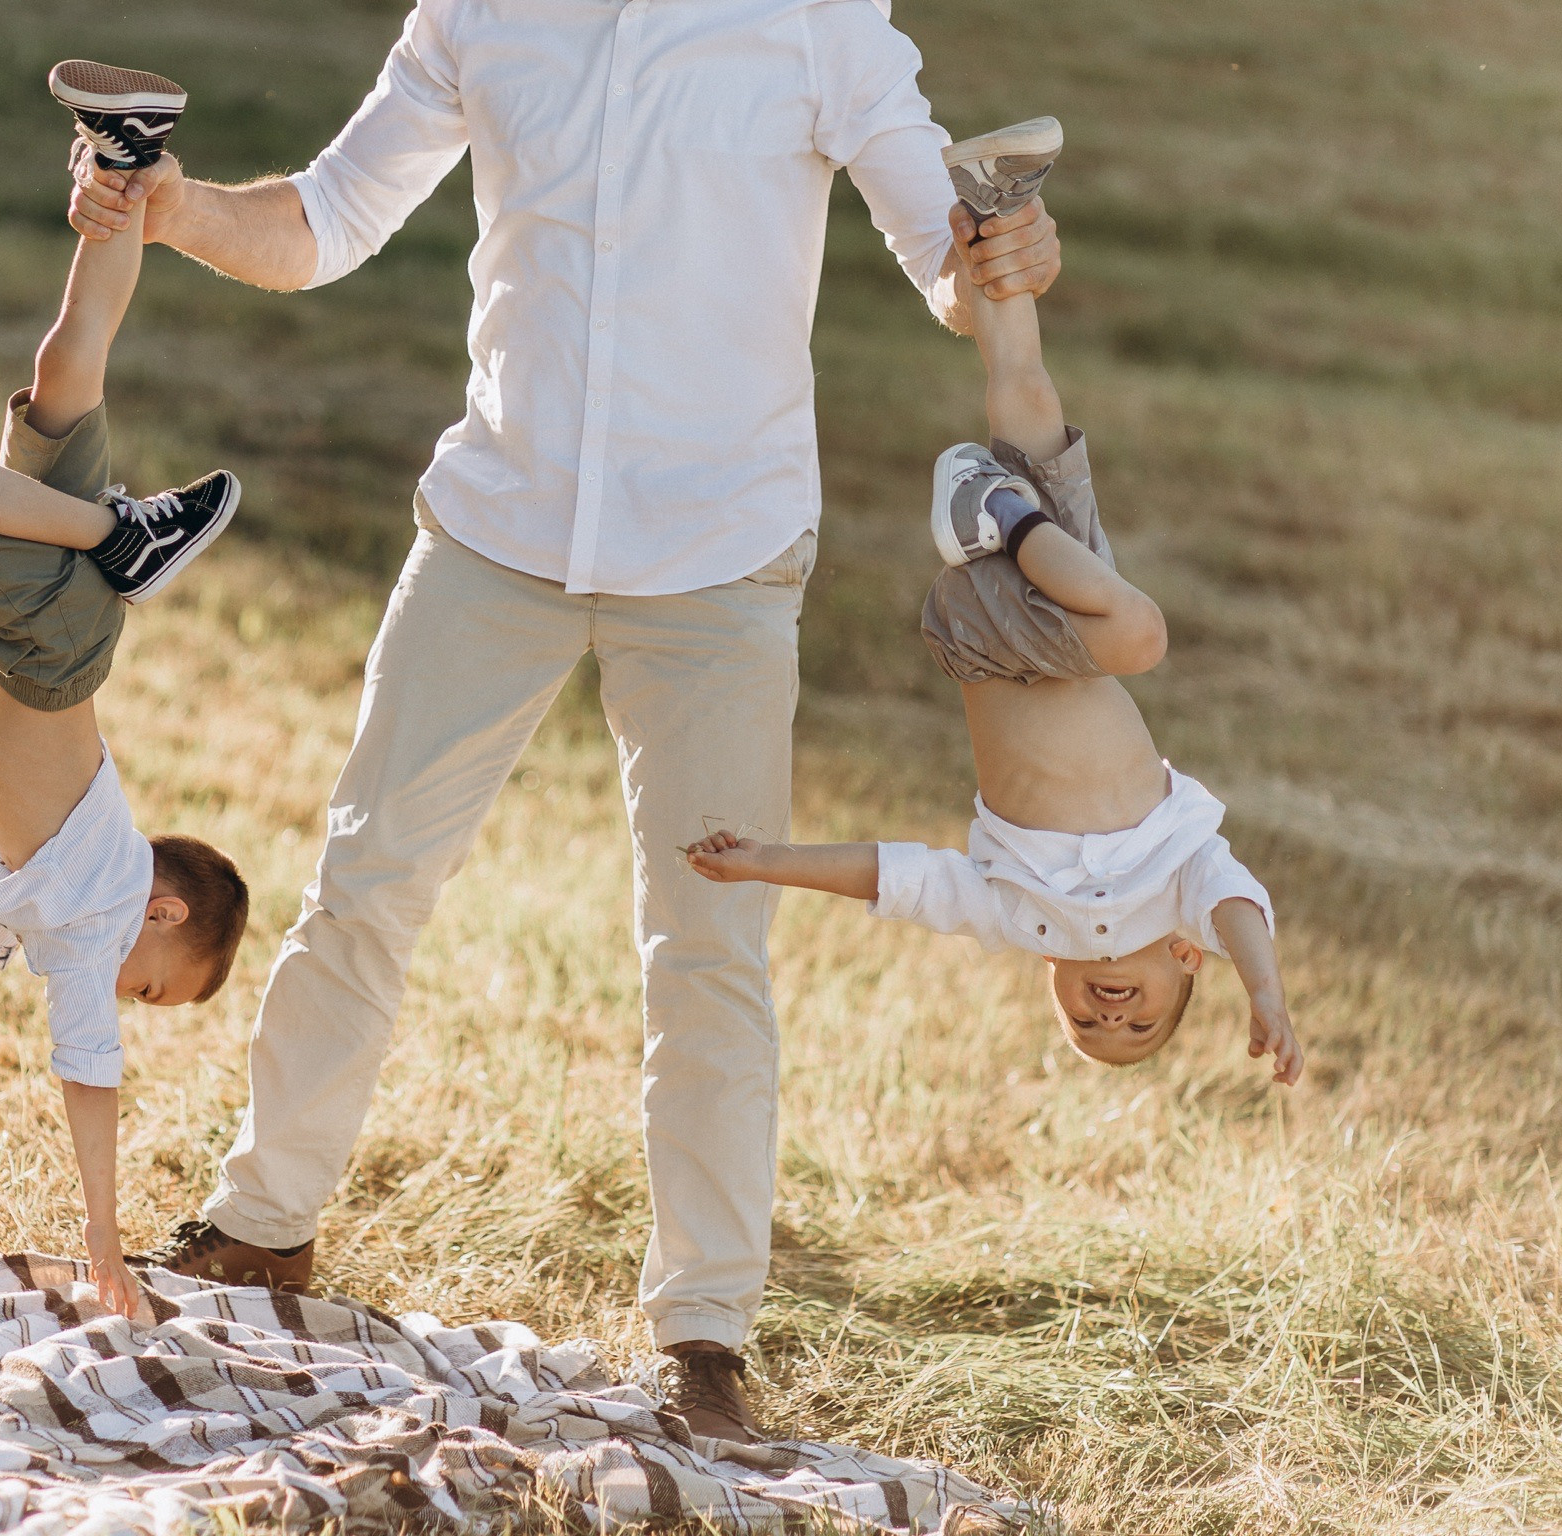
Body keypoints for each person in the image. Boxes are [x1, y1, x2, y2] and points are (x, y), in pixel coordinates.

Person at [69, 3, 1062, 1443]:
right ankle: (263, 1227)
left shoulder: (814, 22)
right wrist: (174, 207)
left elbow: (950, 267)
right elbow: (327, 218)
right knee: (365, 882)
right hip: (498, 531)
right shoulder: (483, 11)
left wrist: (1006, 260)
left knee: (708, 949)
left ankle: (705, 1337)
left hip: (719, 560)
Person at [688, 122, 1303, 1089]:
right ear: (1187, 960)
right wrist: (1264, 990)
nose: (1108, 1016)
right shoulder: (1187, 888)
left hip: (997, 641)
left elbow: (893, 876)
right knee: (1026, 398)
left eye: (1086, 1026)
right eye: (1138, 1025)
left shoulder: (1016, 915)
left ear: (1053, 982)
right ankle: (992, 202)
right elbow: (1242, 906)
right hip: (1070, 607)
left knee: (1139, 632)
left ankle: (999, 515)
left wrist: (768, 861)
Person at [0, 62, 252, 1321]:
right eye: (154, 986)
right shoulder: (95, 912)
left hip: (52, 629)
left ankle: (129, 154)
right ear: (163, 912)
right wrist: (104, 1246)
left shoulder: (39, 897)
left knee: (65, 363)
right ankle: (126, 536)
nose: (128, 1000)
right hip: (49, 642)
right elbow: (90, 1079)